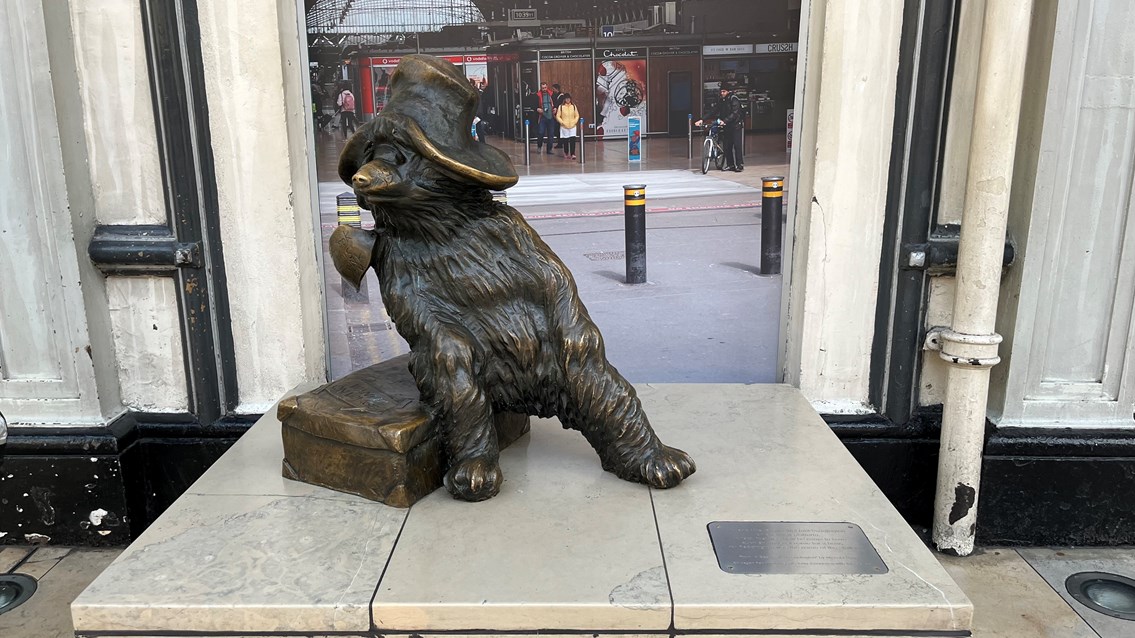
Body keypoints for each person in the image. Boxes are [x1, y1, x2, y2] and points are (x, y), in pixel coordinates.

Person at [695, 83, 745, 172]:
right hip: (726, 126)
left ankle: (739, 165)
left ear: (728, 91)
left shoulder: (734, 99)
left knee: (737, 145)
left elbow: (735, 113)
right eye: (721, 91)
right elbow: (713, 110)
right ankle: (730, 165)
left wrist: (725, 120)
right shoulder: (721, 101)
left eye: (724, 91)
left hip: (735, 126)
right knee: (727, 146)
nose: (722, 93)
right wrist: (702, 119)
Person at [555, 93, 580, 160]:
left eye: (569, 99)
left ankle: (573, 153)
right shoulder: (561, 107)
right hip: (564, 126)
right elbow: (558, 116)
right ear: (564, 100)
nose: (568, 100)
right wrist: (562, 122)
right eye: (566, 99)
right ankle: (566, 152)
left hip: (572, 126)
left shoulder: (573, 106)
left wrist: (574, 122)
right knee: (565, 141)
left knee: (572, 140)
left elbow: (577, 115)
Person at [535, 81, 556, 154]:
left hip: (551, 116)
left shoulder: (551, 94)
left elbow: (555, 103)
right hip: (542, 117)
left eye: (545, 87)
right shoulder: (537, 95)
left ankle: (549, 149)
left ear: (547, 87)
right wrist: (537, 109)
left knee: (551, 134)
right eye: (543, 88)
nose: (544, 89)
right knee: (541, 132)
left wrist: (555, 108)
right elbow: (534, 105)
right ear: (541, 88)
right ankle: (539, 146)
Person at [551, 83, 565, 149]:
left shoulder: (561, 96)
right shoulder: (553, 95)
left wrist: (555, 108)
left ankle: (561, 142)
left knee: (559, 129)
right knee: (556, 129)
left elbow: (559, 104)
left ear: (557, 89)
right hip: (555, 114)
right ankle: (560, 142)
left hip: (560, 115)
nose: (553, 90)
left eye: (554, 89)